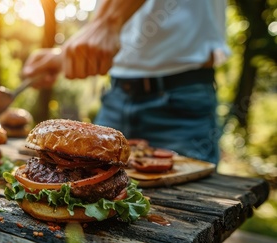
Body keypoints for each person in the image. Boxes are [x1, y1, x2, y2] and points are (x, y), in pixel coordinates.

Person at [21, 0, 229, 164]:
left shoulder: (109, 19)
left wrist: (107, 22)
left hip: (182, 99)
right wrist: (66, 56)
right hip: (116, 96)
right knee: (90, 183)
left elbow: (108, 23)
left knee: (192, 208)